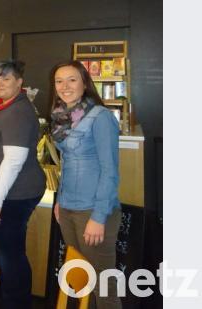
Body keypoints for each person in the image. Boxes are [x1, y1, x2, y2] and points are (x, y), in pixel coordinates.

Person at [0, 61, 45, 309]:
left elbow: (13, 161)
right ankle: (7, 294)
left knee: (10, 253)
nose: (0, 83)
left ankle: (16, 302)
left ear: (19, 82)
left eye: (6, 78)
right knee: (1, 248)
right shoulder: (1, 106)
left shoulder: (18, 112)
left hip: (11, 195)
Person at [50, 60, 121, 309]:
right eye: (59, 81)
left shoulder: (100, 117)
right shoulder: (62, 117)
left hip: (93, 210)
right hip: (68, 207)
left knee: (104, 286)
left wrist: (99, 217)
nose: (65, 86)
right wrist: (60, 200)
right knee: (82, 281)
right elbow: (67, 164)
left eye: (72, 79)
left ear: (84, 82)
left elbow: (110, 171)